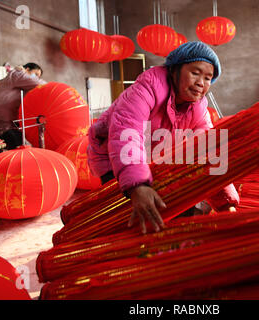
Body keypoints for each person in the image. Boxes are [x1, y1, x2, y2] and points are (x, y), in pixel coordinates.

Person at [87, 41, 239, 234]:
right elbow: (127, 133)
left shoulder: (199, 109)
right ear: (175, 70)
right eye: (195, 73)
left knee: (177, 210)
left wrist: (226, 204)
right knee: (125, 222)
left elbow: (209, 154)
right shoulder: (146, 88)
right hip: (114, 158)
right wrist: (137, 186)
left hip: (156, 158)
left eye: (208, 78)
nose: (201, 82)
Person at [0, 62, 46, 149]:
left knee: (26, 145)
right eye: (35, 74)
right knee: (20, 147)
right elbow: (38, 83)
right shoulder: (17, 74)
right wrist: (51, 86)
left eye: (38, 77)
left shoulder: (20, 83)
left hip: (7, 125)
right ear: (27, 69)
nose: (36, 78)